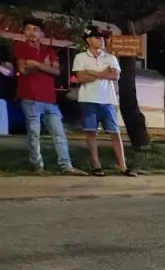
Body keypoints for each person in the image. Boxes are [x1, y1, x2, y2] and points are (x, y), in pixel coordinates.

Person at [14, 18, 85, 175]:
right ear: (24, 32)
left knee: (59, 134)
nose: (31, 32)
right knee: (34, 134)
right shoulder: (21, 47)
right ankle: (38, 166)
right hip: (30, 97)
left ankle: (66, 166)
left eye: (35, 29)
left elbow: (57, 71)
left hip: (50, 99)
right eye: (28, 29)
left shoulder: (49, 51)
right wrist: (45, 66)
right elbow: (23, 69)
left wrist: (37, 64)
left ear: (41, 33)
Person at [72, 28, 136, 177]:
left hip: (108, 100)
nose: (101, 40)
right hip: (88, 99)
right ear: (88, 40)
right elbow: (80, 78)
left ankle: (123, 166)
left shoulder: (110, 58)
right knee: (91, 133)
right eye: (97, 37)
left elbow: (115, 76)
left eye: (102, 38)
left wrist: (92, 72)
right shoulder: (80, 57)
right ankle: (96, 165)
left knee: (115, 133)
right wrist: (103, 73)